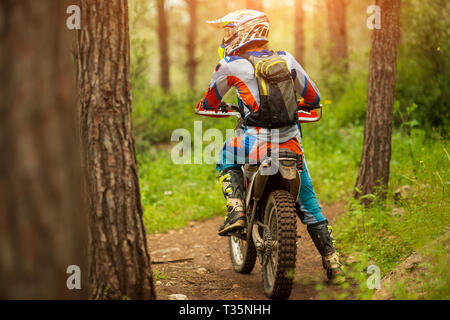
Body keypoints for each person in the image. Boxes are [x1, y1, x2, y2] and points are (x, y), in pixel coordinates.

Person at [195, 10, 344, 282]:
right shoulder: (286, 58)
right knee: (309, 201)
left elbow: (209, 102)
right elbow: (314, 97)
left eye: (230, 31)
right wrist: (301, 107)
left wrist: (215, 107)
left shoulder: (230, 64)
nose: (227, 37)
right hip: (290, 142)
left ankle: (237, 211)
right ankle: (332, 260)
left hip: (255, 141)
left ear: (245, 32)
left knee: (227, 152)